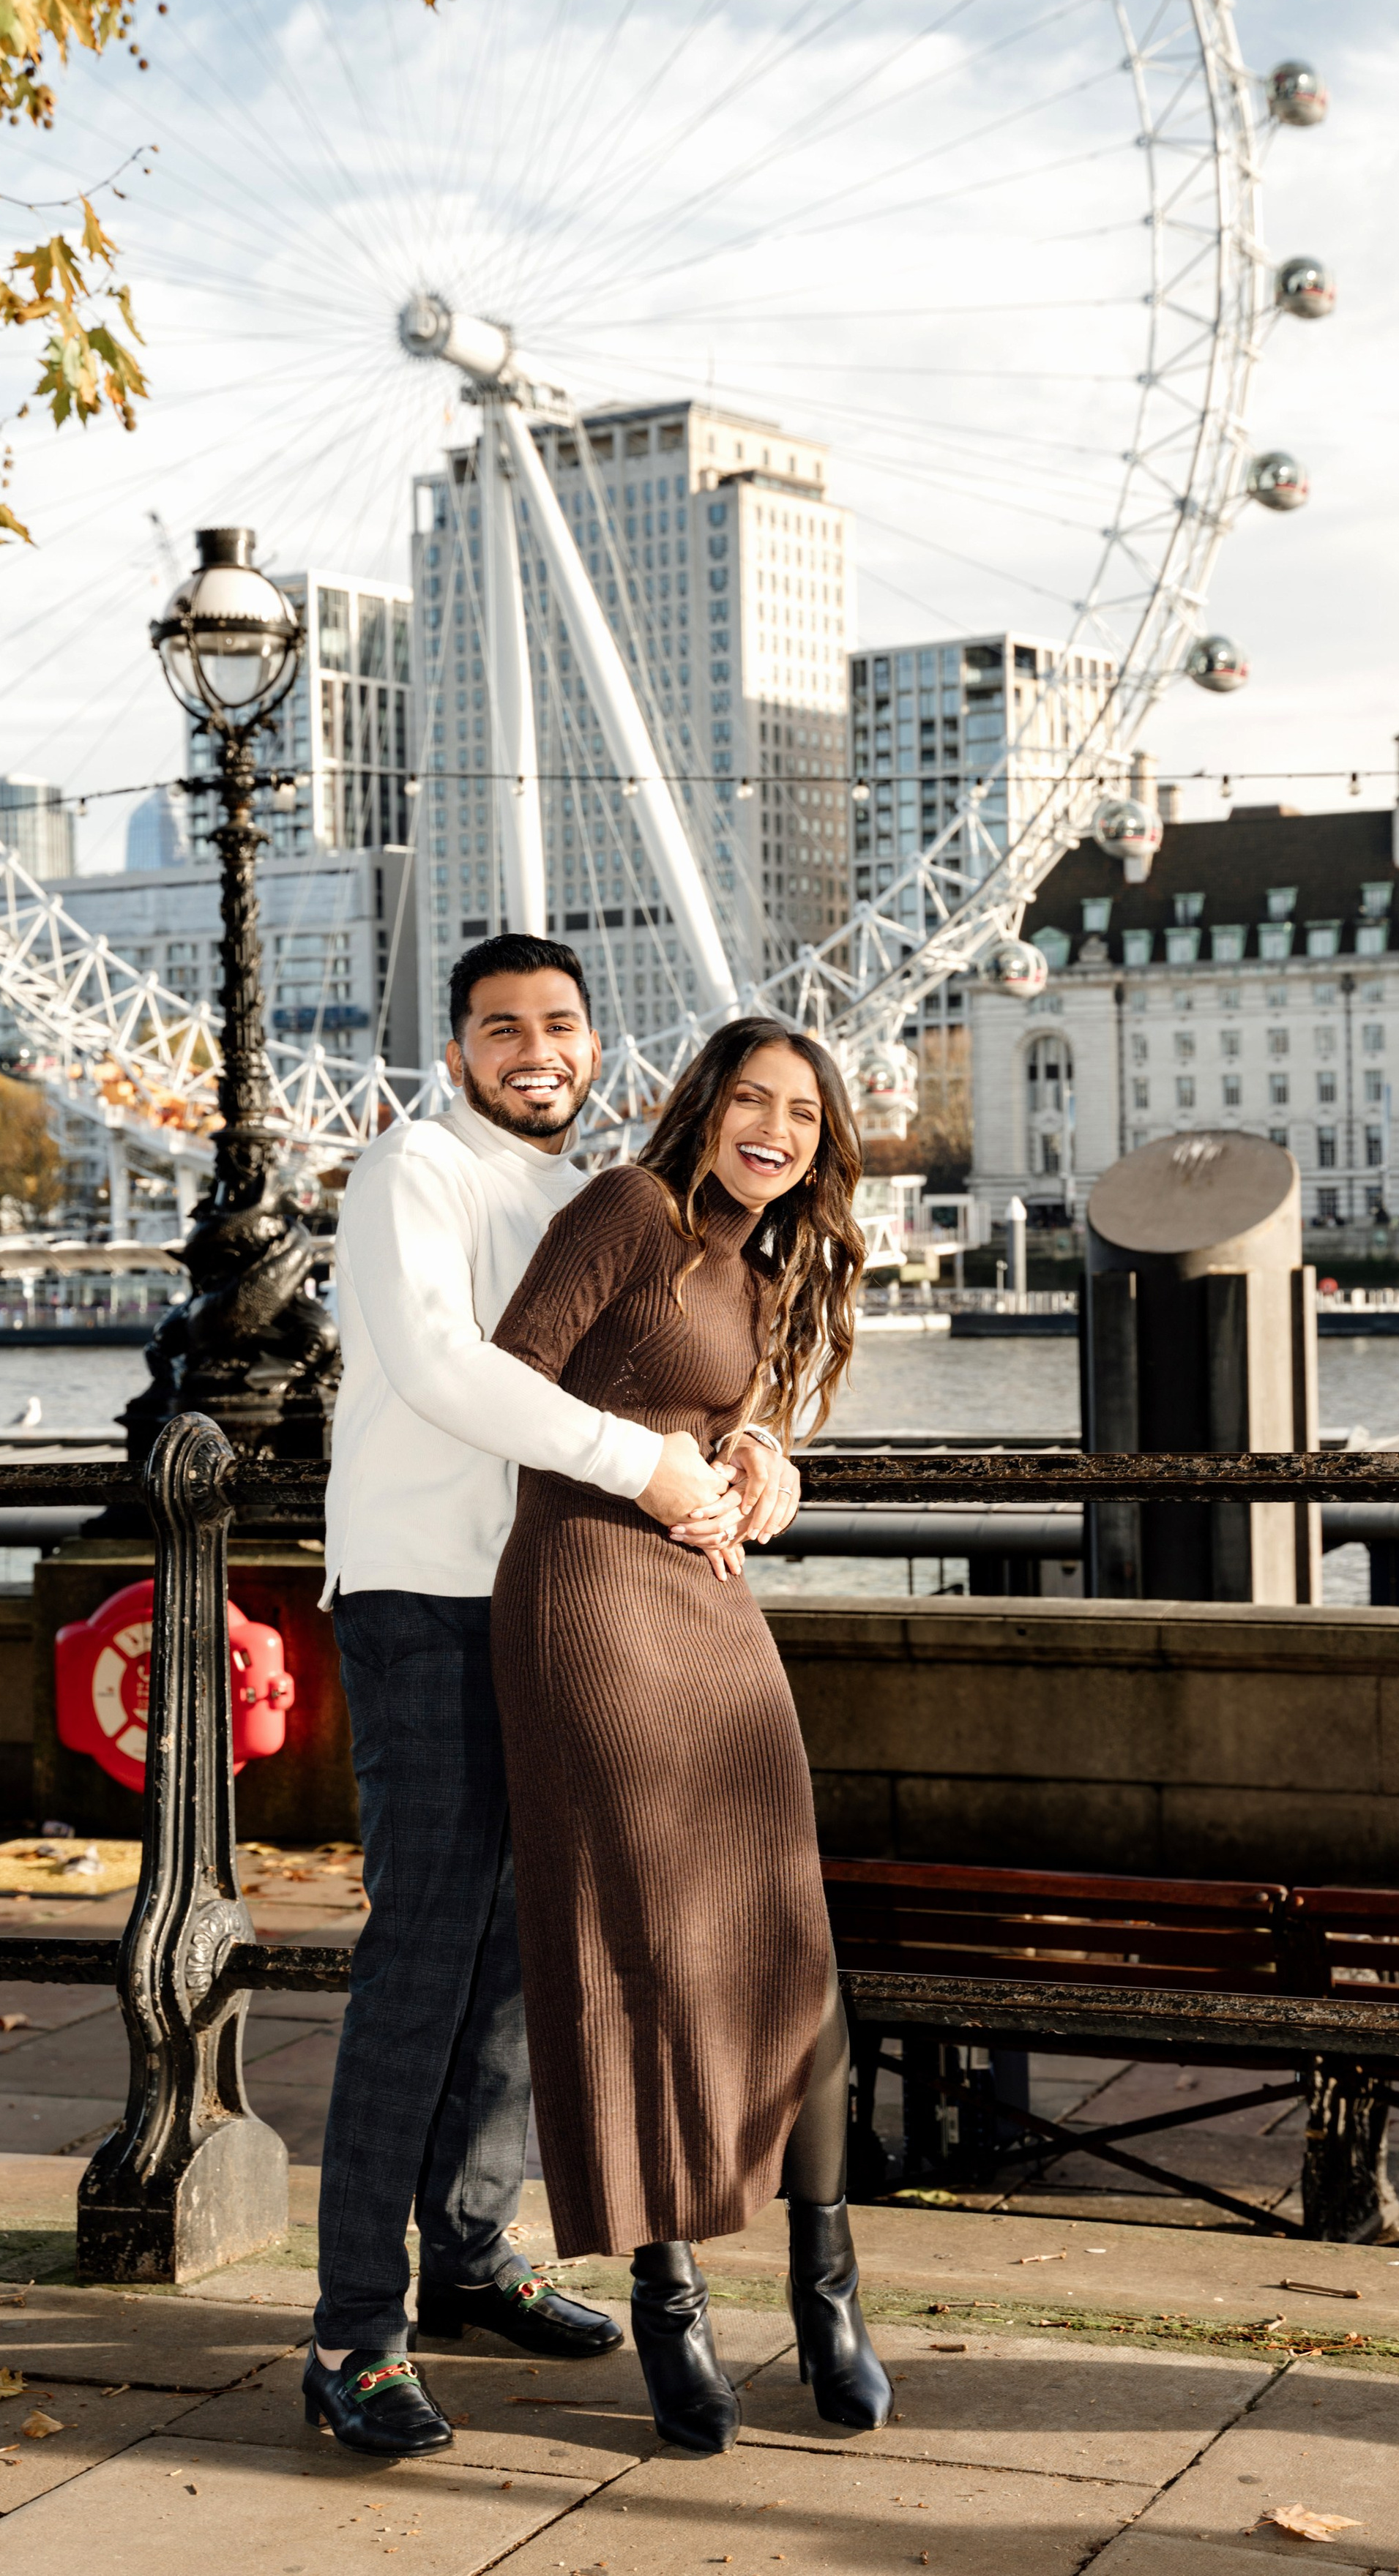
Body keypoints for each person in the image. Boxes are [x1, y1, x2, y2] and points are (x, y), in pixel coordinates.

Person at [305, 937, 800, 2459]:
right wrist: (644, 1467)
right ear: (453, 1050)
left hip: (572, 1616)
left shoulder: (602, 1195)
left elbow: (686, 1373)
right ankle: (352, 2333)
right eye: (500, 1026)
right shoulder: (414, 1174)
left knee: (537, 1959)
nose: (534, 1048)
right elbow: (452, 1367)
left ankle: (464, 2250)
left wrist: (756, 1455)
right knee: (423, 1964)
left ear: (594, 1045)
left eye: (559, 1024)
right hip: (430, 1602)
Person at [488, 1014, 891, 2457]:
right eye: (750, 1098)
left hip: (712, 1614)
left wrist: (761, 1458)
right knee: (647, 1947)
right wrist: (650, 1471)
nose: (772, 1127)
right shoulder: (624, 1209)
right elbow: (505, 1388)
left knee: (788, 1940)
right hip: (588, 1601)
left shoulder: (760, 1259)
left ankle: (826, 2284)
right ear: (703, 1105)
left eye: (800, 1111)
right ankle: (672, 2303)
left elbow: (729, 1411)